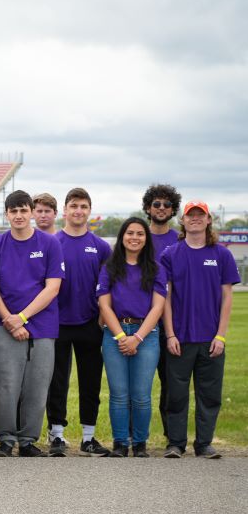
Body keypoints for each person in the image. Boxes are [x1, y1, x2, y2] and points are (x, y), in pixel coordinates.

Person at [0, 190, 63, 457]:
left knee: (37, 386)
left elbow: (52, 288)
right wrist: (10, 320)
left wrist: (23, 317)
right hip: (5, 325)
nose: (18, 215)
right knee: (4, 385)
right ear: (7, 214)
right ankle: (6, 439)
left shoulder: (50, 244)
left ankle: (28, 440)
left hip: (42, 326)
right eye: (13, 211)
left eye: (23, 210)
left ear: (31, 212)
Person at [161, 200, 238, 459]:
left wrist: (221, 335)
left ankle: (204, 444)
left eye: (200, 215)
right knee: (176, 395)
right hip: (179, 339)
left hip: (211, 339)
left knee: (209, 395)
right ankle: (176, 443)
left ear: (208, 220)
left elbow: (227, 298)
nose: (195, 219)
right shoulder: (170, 254)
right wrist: (170, 333)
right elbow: (166, 298)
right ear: (182, 220)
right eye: (190, 215)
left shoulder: (222, 254)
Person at [45, 188, 112, 457]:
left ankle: (88, 436)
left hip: (90, 323)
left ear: (89, 211)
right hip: (57, 322)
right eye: (74, 206)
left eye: (83, 206)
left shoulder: (100, 247)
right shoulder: (52, 243)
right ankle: (57, 435)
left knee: (90, 381)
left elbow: (108, 288)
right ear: (65, 210)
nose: (78, 211)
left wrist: (103, 318)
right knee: (57, 381)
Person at [97, 217, 166, 457]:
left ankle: (139, 444)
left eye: (140, 234)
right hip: (114, 334)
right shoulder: (109, 267)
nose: (134, 238)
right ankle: (119, 443)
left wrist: (136, 338)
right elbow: (104, 306)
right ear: (122, 237)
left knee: (141, 395)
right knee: (118, 394)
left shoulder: (156, 269)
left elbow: (158, 308)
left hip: (146, 335)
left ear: (146, 239)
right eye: (130, 233)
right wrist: (120, 336)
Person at [143, 183, 182, 443]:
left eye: (166, 204)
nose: (161, 208)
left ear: (173, 209)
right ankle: (135, 438)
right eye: (156, 204)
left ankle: (172, 436)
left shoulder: (180, 239)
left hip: (172, 322)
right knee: (140, 385)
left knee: (171, 383)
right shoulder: (137, 237)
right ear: (148, 207)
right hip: (140, 321)